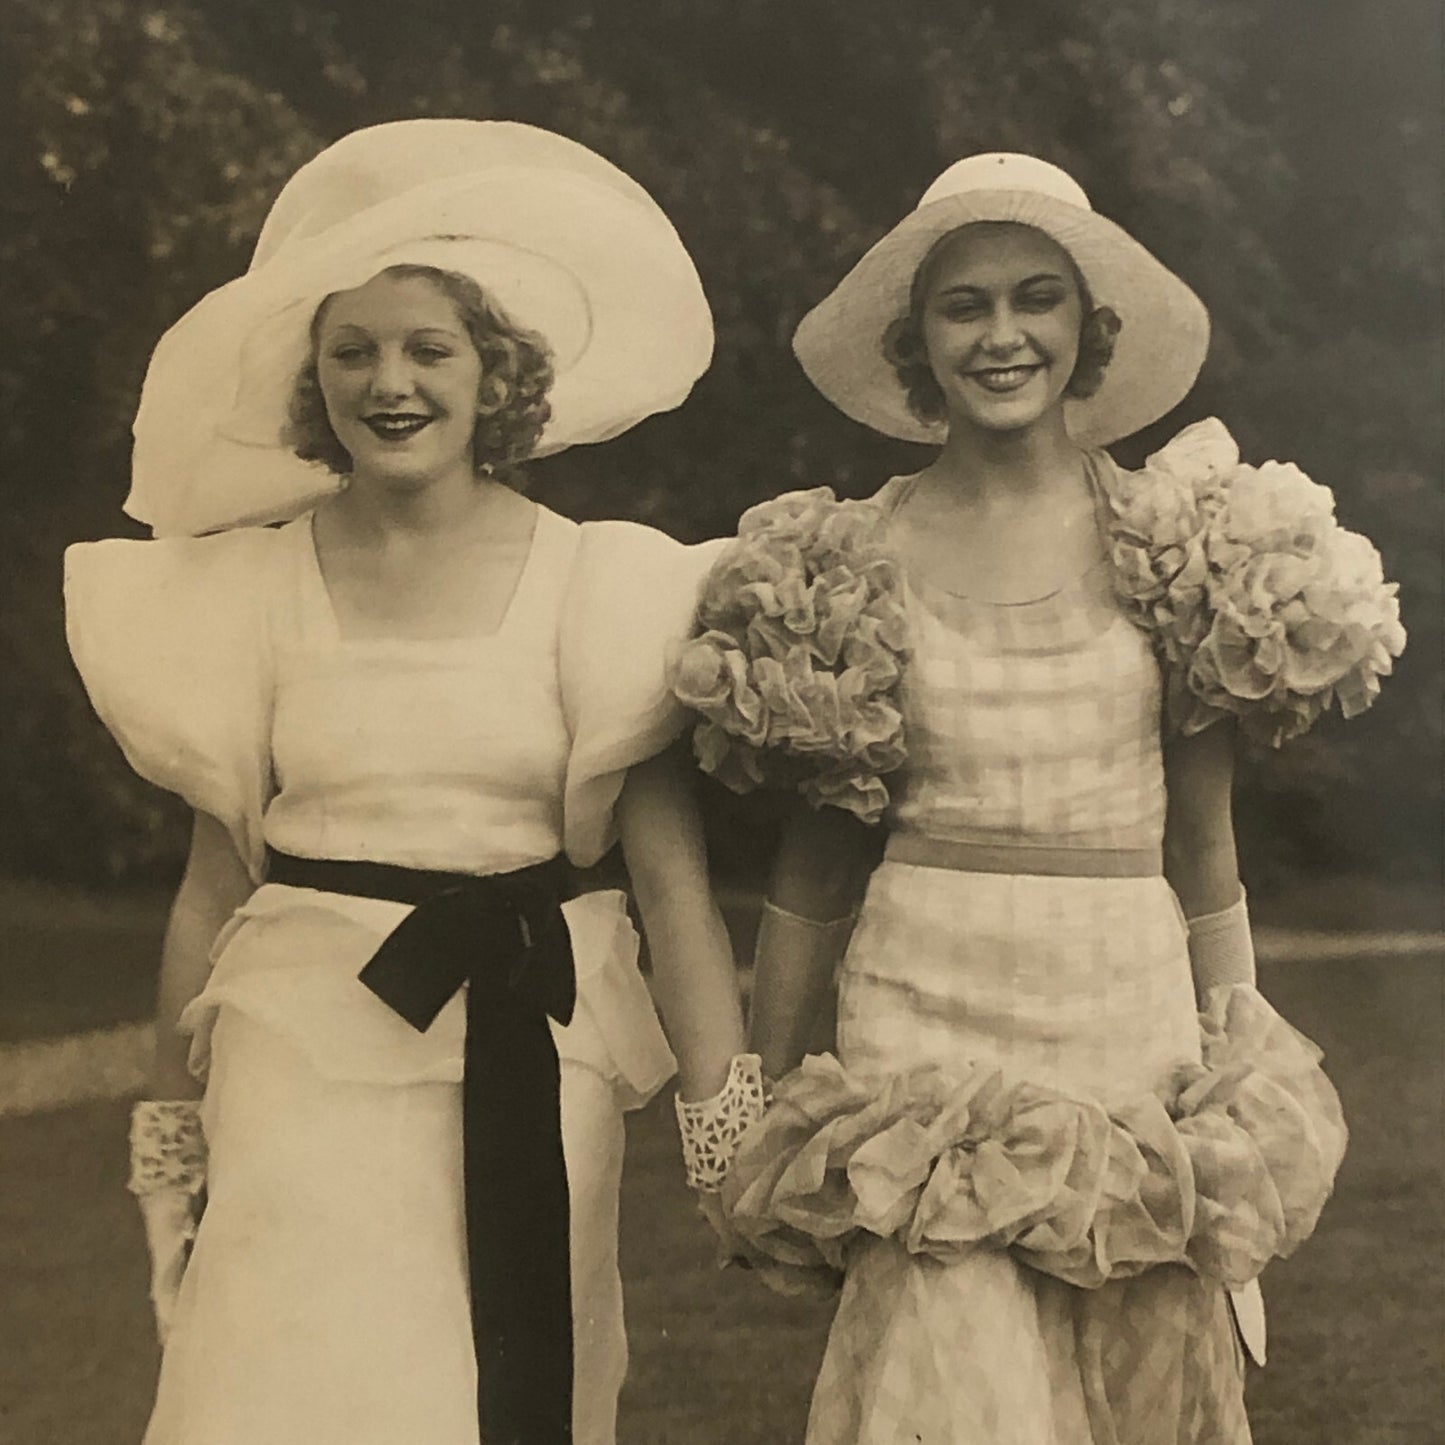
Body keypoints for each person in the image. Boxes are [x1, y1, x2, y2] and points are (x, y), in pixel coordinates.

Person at [672, 153, 1404, 1444]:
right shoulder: (845, 560)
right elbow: (813, 875)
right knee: (945, 1391)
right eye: (963, 306)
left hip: (1121, 1027)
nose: (1000, 335)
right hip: (920, 1031)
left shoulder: (1175, 546)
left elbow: (1203, 847)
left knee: (1129, 1385)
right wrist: (759, 1098)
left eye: (1033, 299)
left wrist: (1233, 1088)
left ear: (1084, 327)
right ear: (917, 341)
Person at [65, 118, 756, 1445]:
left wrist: (730, 1137)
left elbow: (672, 892)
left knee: (488, 1390)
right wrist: (171, 1140)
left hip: (530, 1043)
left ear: (492, 372)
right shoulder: (251, 585)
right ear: (312, 377)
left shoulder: (602, 586)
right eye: (353, 350)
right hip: (300, 1055)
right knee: (286, 1391)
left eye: (428, 347)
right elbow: (214, 887)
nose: (391, 383)